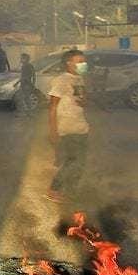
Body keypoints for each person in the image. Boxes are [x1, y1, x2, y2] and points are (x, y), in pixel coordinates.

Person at [46, 49, 89, 203]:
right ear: (69, 63)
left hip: (81, 126)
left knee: (80, 162)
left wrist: (83, 101)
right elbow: (52, 107)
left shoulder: (79, 79)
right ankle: (54, 189)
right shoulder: (61, 80)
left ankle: (70, 191)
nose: (83, 64)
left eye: (84, 61)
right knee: (72, 161)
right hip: (67, 127)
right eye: (79, 62)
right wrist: (53, 131)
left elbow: (80, 100)